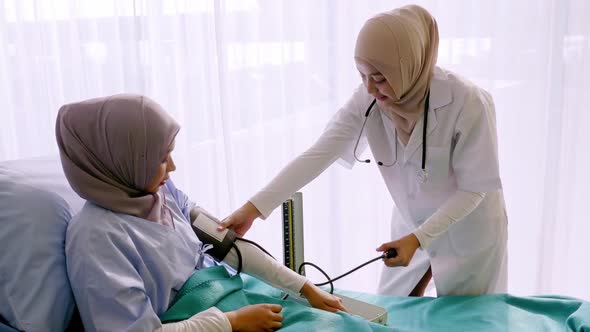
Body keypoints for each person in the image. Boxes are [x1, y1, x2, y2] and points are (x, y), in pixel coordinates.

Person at [220, 5, 508, 297]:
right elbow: (320, 153)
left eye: (379, 77)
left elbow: (474, 190)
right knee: (392, 311)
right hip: (412, 225)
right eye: (362, 75)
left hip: (467, 232)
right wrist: (252, 209)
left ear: (407, 65)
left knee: (466, 322)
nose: (370, 88)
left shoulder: (467, 102)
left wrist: (419, 238)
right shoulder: (369, 101)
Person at [55, 94, 346, 332]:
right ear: (122, 160)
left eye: (170, 153)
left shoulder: (163, 194)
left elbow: (227, 244)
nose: (172, 167)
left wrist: (304, 286)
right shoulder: (96, 238)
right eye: (161, 158)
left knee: (338, 324)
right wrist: (229, 322)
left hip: (224, 300)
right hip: (206, 320)